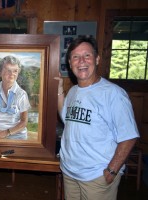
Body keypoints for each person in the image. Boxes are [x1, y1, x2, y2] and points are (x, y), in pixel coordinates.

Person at [55, 35, 139, 200]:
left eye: (87, 55)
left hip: (97, 176)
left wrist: (112, 170)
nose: (81, 61)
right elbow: (66, 118)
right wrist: (59, 89)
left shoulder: (113, 93)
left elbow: (129, 136)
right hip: (70, 172)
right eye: (76, 57)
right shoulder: (73, 91)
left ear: (97, 59)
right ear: (70, 63)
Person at [0, 55, 31, 140]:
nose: (12, 74)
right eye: (8, 70)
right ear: (0, 72)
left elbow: (24, 122)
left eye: (15, 71)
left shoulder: (21, 94)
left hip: (16, 135)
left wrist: (7, 133)